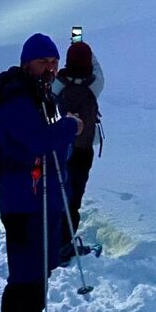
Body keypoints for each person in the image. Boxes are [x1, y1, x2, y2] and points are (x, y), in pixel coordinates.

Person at [0, 33, 84, 312]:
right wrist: (70, 126)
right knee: (24, 277)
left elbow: (54, 148)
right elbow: (37, 141)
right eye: (43, 62)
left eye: (54, 62)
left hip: (42, 199)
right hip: (23, 202)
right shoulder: (16, 97)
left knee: (40, 273)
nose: (50, 68)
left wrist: (63, 133)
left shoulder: (41, 98)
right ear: (27, 63)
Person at [52, 40, 104, 264]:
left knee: (56, 193)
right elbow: (98, 70)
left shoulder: (58, 83)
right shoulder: (94, 85)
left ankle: (52, 239)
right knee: (73, 198)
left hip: (57, 148)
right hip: (83, 150)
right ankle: (65, 244)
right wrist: (84, 46)